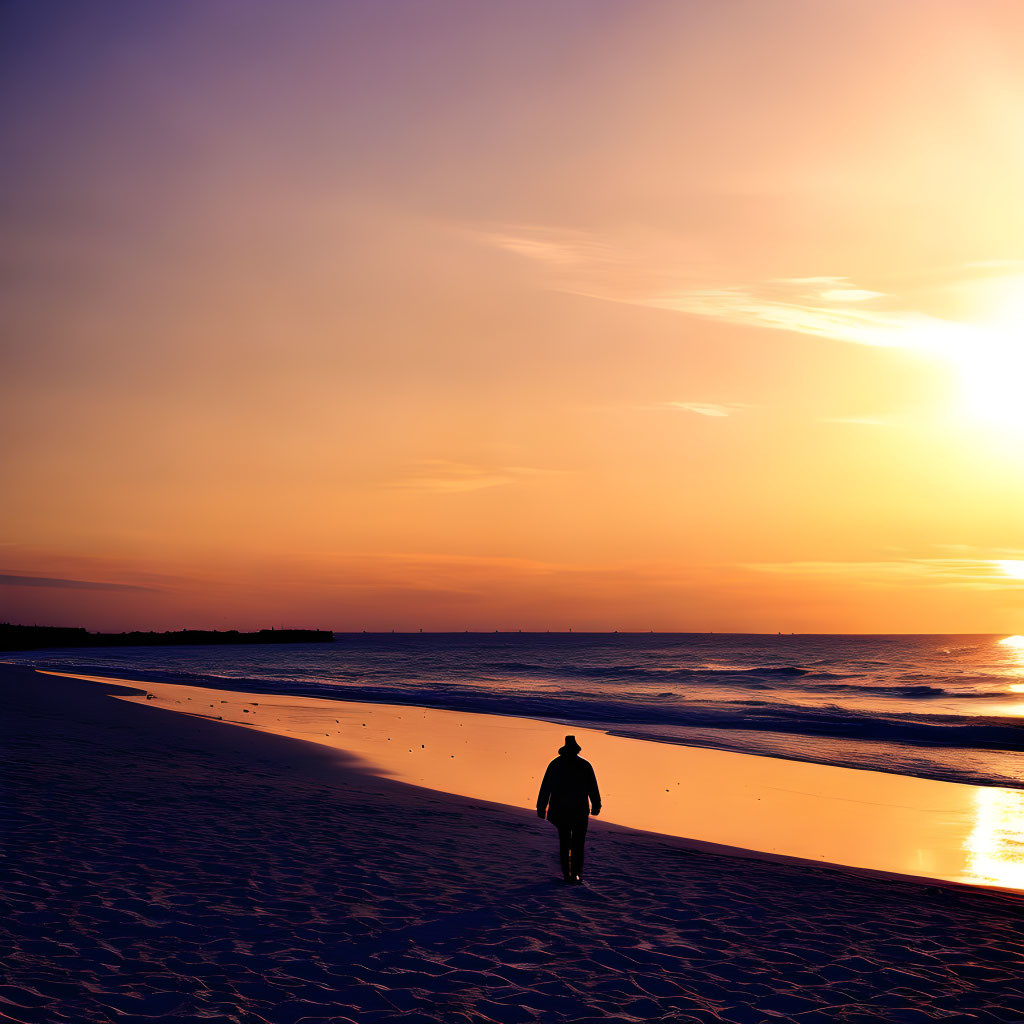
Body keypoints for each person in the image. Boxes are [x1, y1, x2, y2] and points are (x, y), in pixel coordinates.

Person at [536, 734, 601, 884]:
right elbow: (593, 788)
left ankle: (568, 874)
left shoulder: (555, 764)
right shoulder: (584, 765)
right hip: (578, 811)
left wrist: (541, 808)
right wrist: (596, 805)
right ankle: (576, 874)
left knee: (565, 843)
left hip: (560, 811)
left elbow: (545, 788)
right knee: (577, 843)